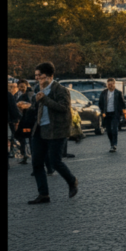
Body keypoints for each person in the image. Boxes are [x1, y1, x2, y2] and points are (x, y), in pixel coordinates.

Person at [28, 62, 79, 204]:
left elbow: (63, 107)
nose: (38, 79)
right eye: (36, 76)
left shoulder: (61, 90)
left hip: (56, 130)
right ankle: (43, 194)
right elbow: (37, 107)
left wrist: (44, 99)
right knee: (37, 163)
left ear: (50, 76)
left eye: (41, 76)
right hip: (40, 129)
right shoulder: (38, 89)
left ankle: (72, 181)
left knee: (55, 161)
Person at [98, 78, 126, 153]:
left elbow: (122, 103)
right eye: (109, 84)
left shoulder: (118, 92)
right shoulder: (104, 93)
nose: (110, 86)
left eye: (111, 84)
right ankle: (111, 143)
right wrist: (102, 111)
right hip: (106, 114)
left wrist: (123, 112)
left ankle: (114, 145)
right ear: (107, 85)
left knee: (114, 129)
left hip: (115, 113)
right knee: (108, 131)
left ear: (114, 84)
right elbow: (100, 103)